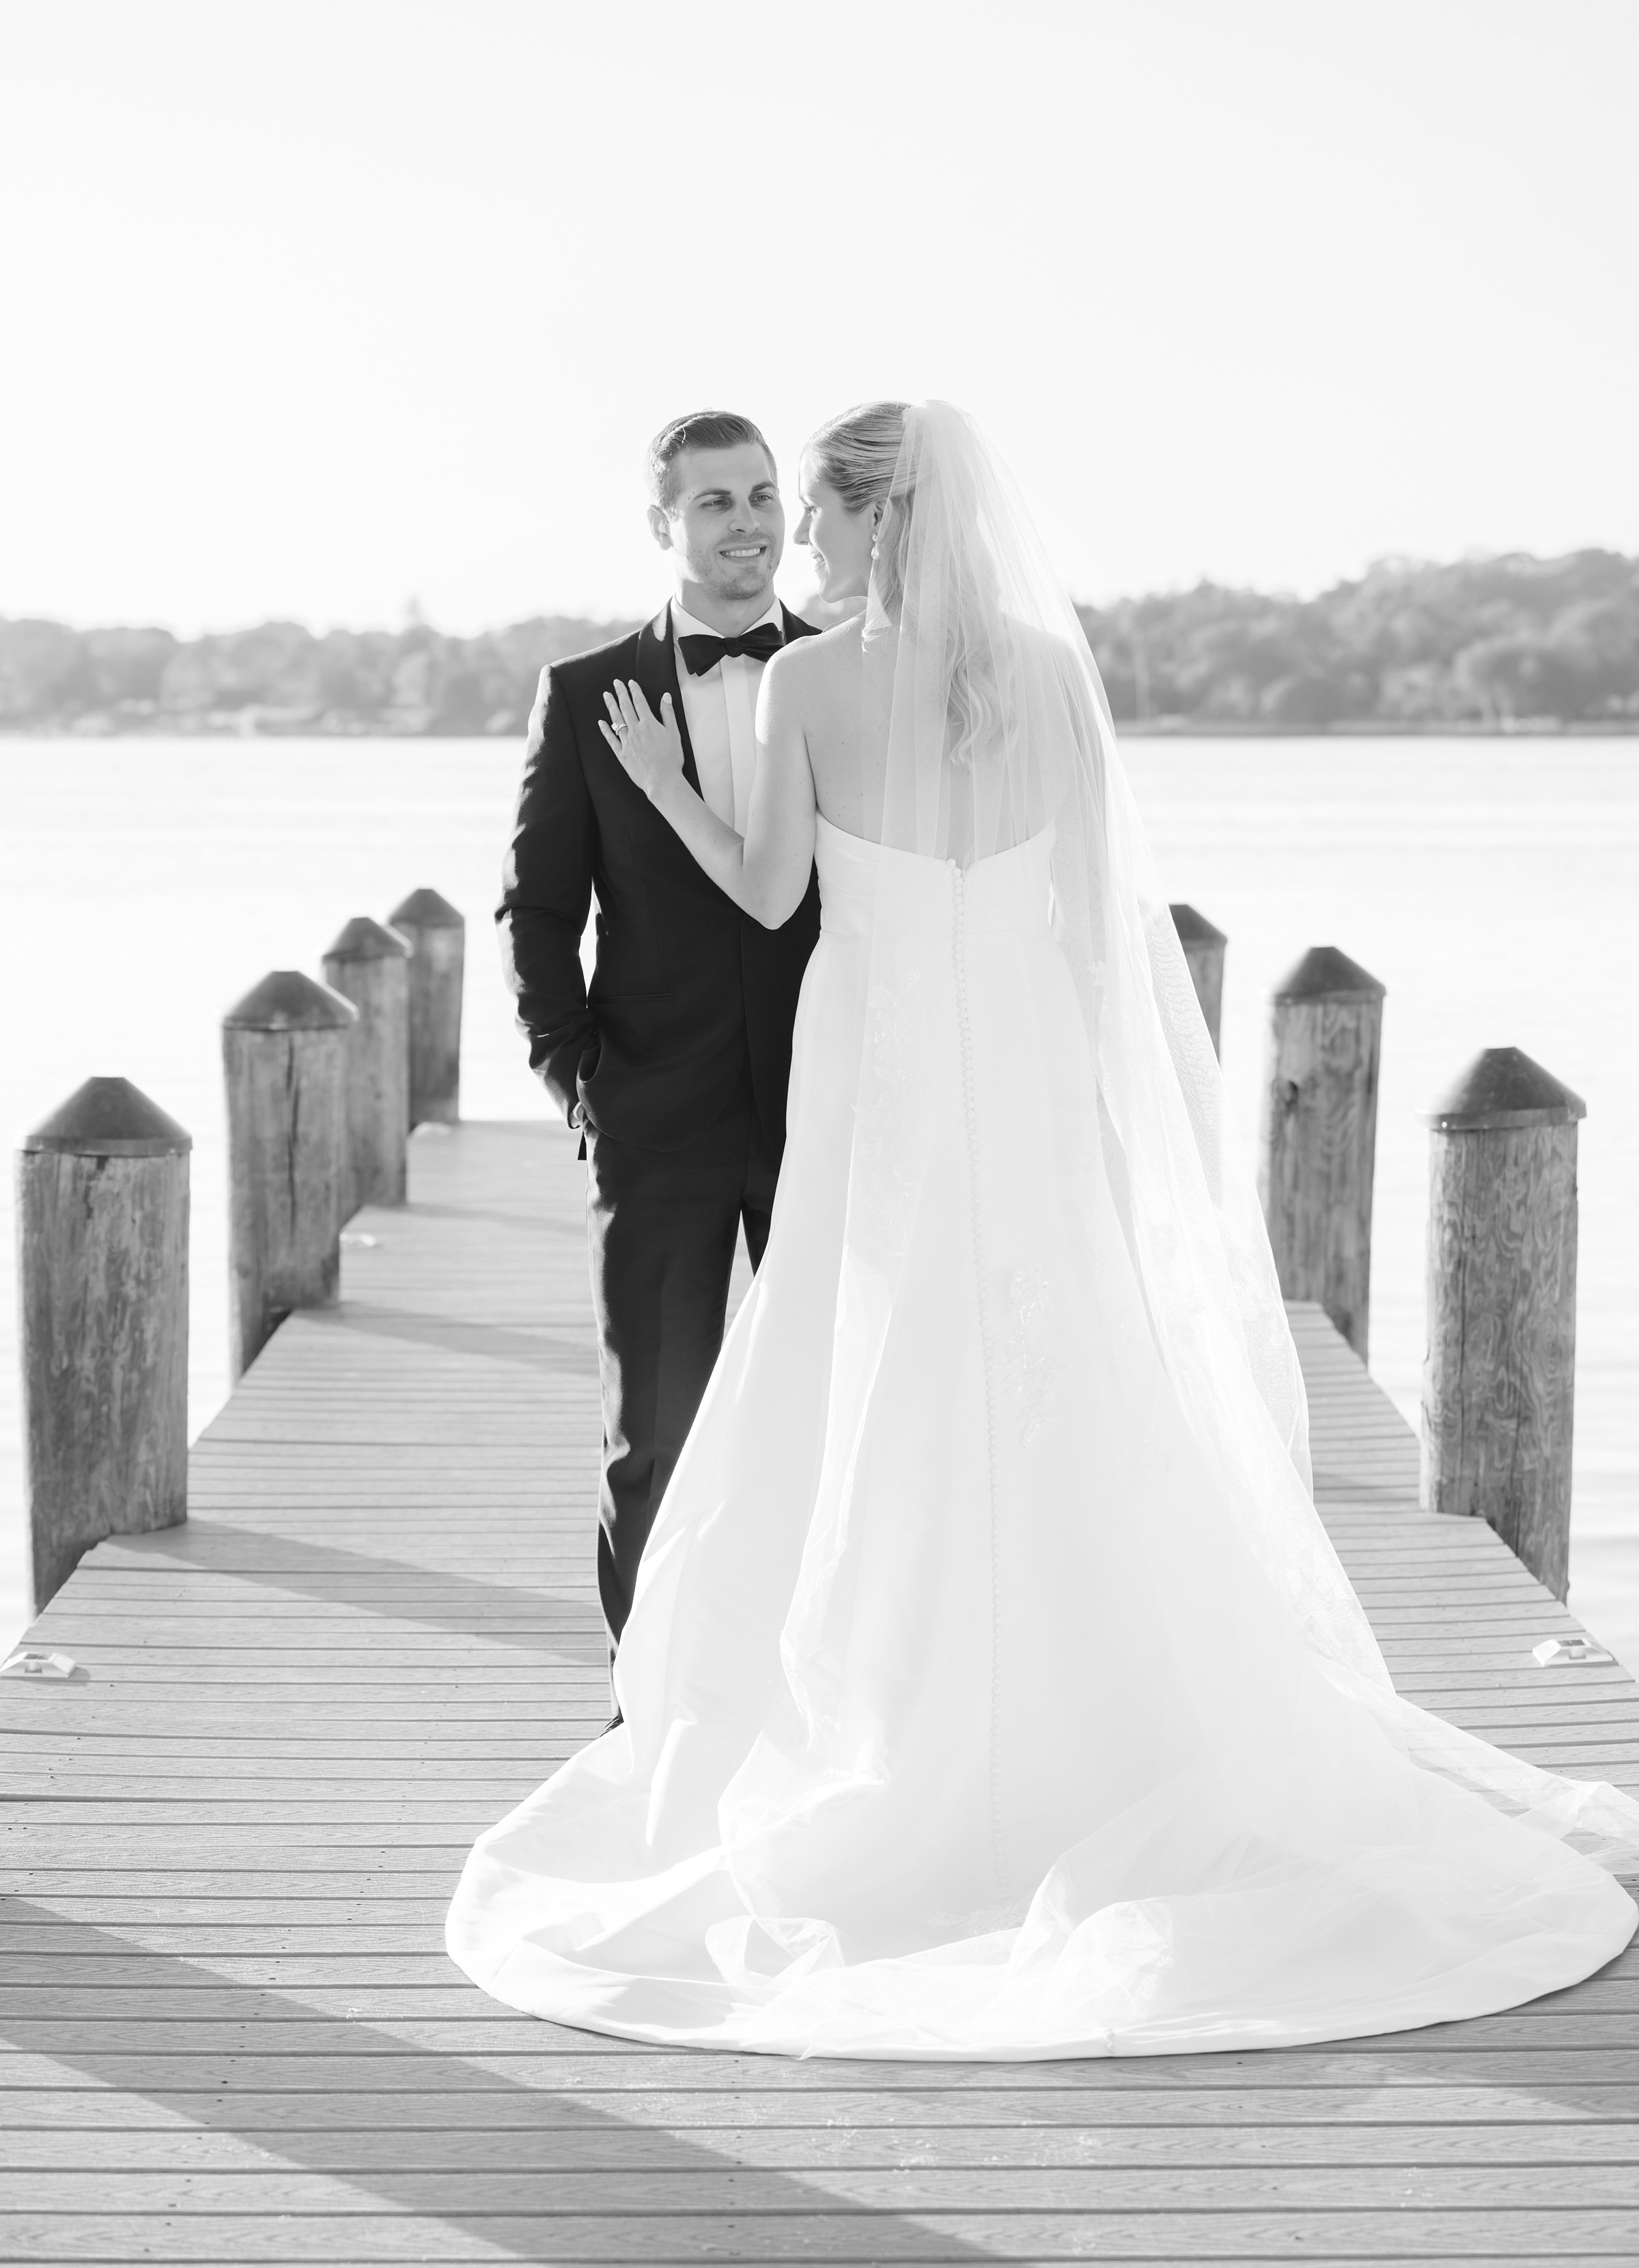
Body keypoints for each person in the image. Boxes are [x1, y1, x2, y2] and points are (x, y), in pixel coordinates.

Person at [451, 401, 1639, 2060]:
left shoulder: (805, 681)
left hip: (873, 1105)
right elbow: (1093, 937)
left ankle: (844, 1730)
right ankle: (1104, 1729)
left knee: (872, 1409)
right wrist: (1094, 1125)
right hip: (1018, 1096)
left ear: (877, 519)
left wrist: (671, 788)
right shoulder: (1051, 679)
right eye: (749, 513)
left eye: (813, 518)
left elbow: (775, 897)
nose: (794, 546)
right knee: (1055, 1393)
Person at [496, 411, 819, 1669]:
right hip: (657, 1117)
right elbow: (538, 910)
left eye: (762, 495)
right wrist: (574, 1076)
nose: (749, 524)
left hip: (831, 1109)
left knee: (836, 1430)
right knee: (659, 1437)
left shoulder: (844, 670)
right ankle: (650, 1717)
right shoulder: (585, 698)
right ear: (662, 526)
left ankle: (815, 1708)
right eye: (716, 503)